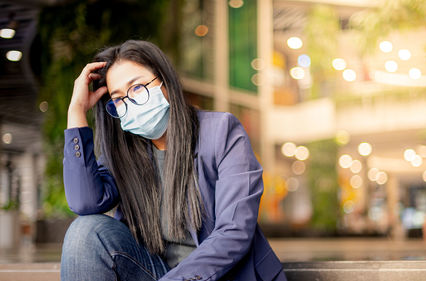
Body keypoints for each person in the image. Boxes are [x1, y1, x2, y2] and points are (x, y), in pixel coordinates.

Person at [61, 40, 287, 281]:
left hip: (220, 276)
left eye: (137, 87)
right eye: (119, 99)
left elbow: (235, 231)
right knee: (84, 232)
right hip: (154, 272)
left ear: (165, 82)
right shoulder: (124, 153)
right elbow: (85, 202)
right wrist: (76, 112)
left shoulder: (221, 132)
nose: (130, 103)